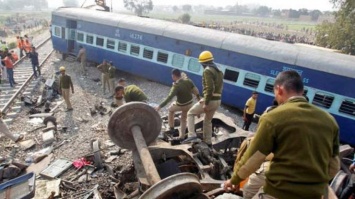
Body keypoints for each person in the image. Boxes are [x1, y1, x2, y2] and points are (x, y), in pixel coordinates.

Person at [224, 71, 340, 199]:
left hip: (279, 193)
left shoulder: (273, 117)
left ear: (279, 90)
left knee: (243, 193)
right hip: (314, 194)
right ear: (302, 91)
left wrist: (234, 180)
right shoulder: (329, 120)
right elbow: (334, 166)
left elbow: (254, 158)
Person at [186, 51, 223, 146]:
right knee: (208, 121)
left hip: (210, 101)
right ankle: (208, 141)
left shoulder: (207, 70)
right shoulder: (219, 70)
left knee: (190, 113)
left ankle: (192, 135)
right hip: (218, 100)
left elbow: (210, 88)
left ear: (203, 63)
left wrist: (206, 102)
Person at [155, 69, 200, 140]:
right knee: (183, 119)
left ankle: (171, 127)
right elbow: (196, 92)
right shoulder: (189, 81)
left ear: (174, 76)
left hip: (181, 105)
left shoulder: (176, 86)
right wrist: (199, 101)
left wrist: (159, 106)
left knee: (170, 109)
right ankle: (181, 136)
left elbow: (169, 98)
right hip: (190, 104)